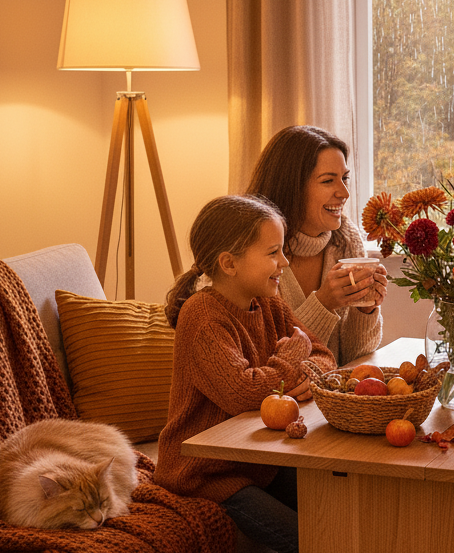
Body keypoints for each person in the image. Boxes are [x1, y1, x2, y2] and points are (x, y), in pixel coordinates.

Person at [156, 195, 337, 553]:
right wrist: (290, 360)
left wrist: (304, 374)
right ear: (229, 263)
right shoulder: (202, 316)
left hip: (257, 463)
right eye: (273, 252)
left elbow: (323, 355)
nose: (284, 261)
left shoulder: (268, 301)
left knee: (342, 503)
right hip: (206, 475)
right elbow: (241, 391)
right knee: (312, 539)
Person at [246, 125, 385, 365]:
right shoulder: (252, 251)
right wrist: (323, 303)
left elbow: (352, 358)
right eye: (328, 181)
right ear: (292, 186)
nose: (343, 193)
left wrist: (364, 310)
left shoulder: (346, 239)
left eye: (344, 179)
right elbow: (266, 359)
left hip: (329, 394)